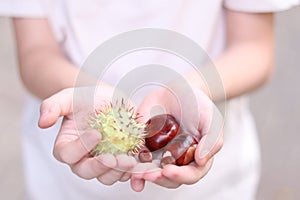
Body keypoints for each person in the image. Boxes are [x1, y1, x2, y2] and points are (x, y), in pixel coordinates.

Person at [1, 0, 299, 199]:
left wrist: (190, 89)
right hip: (68, 183)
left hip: (213, 183)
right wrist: (87, 93)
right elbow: (35, 53)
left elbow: (254, 48)